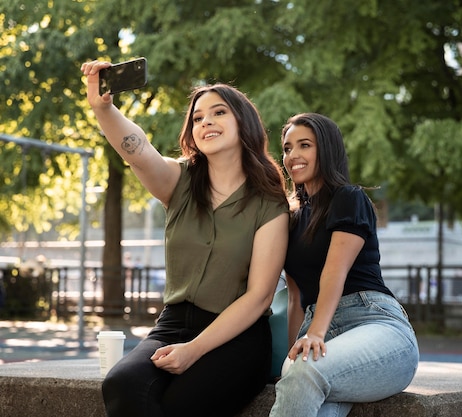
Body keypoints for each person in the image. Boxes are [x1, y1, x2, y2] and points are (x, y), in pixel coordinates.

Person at [81, 60, 289, 417]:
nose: (205, 121)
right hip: (172, 325)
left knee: (182, 404)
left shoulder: (269, 203)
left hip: (237, 336)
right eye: (197, 118)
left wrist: (193, 350)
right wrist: (104, 109)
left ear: (245, 123)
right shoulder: (177, 182)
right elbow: (137, 150)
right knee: (123, 384)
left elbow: (259, 297)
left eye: (218, 112)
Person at [270, 113, 419, 417]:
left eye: (304, 145)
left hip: (375, 323)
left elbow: (334, 271)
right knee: (302, 378)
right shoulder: (291, 219)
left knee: (305, 371)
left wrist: (315, 336)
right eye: (287, 148)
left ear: (325, 149)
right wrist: (295, 348)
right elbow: (296, 296)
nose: (293, 156)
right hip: (320, 330)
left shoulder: (349, 198)